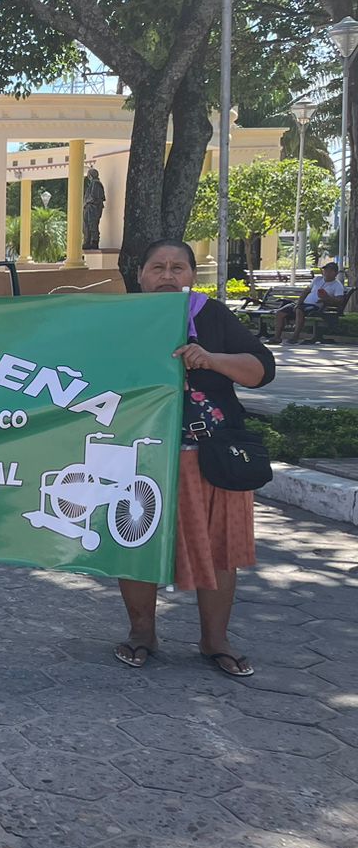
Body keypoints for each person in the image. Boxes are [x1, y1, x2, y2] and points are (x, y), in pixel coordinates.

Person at [115, 240, 274, 678]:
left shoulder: (212, 316)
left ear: (191, 276)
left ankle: (214, 641)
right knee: (135, 545)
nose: (168, 275)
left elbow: (262, 369)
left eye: (178, 268)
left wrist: (212, 359)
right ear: (140, 274)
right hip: (141, 455)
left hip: (211, 457)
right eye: (157, 267)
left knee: (222, 552)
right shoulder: (117, 320)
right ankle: (142, 634)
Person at [273, 261, 346, 343]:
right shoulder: (317, 279)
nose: (326, 273)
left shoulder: (337, 285)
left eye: (329, 271)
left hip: (315, 306)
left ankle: (295, 337)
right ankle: (276, 337)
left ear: (335, 273)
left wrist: (326, 298)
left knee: (299, 310)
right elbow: (306, 291)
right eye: (325, 270)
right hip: (302, 304)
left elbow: (339, 301)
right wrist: (298, 303)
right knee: (280, 312)